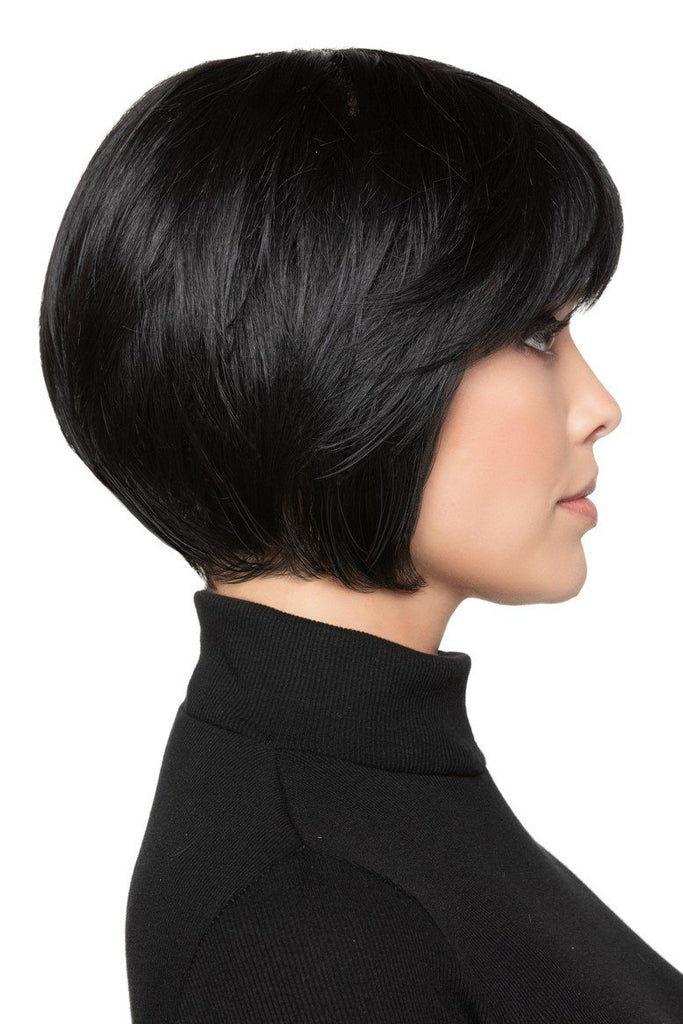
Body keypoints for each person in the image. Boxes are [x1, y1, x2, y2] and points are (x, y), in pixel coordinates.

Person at [39, 47, 683, 1023]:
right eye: (535, 333)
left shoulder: (352, 802)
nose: (599, 406)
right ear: (329, 353)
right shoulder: (306, 915)